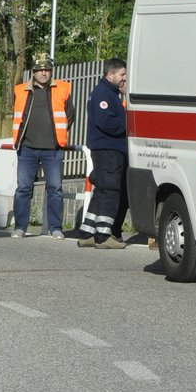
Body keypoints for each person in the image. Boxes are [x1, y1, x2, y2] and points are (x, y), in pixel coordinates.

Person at [10, 51, 74, 238]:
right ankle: (20, 227)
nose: (44, 73)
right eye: (40, 70)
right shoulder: (20, 90)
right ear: (33, 71)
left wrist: (57, 135)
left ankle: (56, 228)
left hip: (53, 149)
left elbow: (70, 115)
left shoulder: (63, 88)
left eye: (47, 69)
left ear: (52, 71)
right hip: (27, 148)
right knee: (23, 188)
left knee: (55, 189)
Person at [76, 58, 130, 250]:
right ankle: (103, 235)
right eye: (122, 74)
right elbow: (107, 123)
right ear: (110, 74)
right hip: (109, 149)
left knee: (101, 190)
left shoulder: (109, 93)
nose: (125, 78)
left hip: (107, 148)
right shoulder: (103, 95)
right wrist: (130, 125)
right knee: (111, 191)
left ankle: (87, 232)